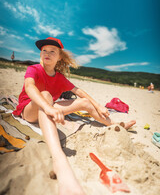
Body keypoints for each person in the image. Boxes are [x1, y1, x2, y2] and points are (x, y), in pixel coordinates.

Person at [13, 37, 136, 195]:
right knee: (45, 94)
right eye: (44, 50)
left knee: (84, 102)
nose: (47, 53)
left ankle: (115, 124)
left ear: (59, 57)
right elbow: (30, 87)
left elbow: (79, 92)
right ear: (40, 54)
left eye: (52, 51)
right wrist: (47, 108)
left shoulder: (59, 78)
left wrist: (98, 105)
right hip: (29, 109)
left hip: (48, 107)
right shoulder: (34, 69)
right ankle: (59, 160)